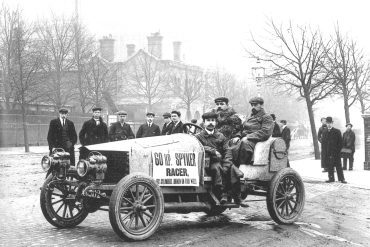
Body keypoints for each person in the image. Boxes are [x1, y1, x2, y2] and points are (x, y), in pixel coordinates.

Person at [195, 112, 248, 207]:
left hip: (222, 160)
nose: (210, 123)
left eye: (213, 121)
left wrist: (227, 164)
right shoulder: (198, 136)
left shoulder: (221, 136)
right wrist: (213, 151)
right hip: (208, 162)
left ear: (215, 123)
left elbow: (227, 150)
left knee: (233, 170)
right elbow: (199, 147)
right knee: (217, 168)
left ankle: (237, 197)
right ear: (204, 123)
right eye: (208, 121)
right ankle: (222, 194)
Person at [238, 97, 274, 166]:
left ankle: (241, 165)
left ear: (261, 105)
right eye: (252, 105)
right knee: (231, 142)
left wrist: (248, 137)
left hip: (256, 140)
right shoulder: (250, 116)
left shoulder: (267, 117)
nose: (253, 107)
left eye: (255, 105)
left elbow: (265, 132)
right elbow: (243, 128)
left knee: (244, 143)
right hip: (245, 138)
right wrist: (237, 136)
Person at [322, 117, 347, 183]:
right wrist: (325, 152)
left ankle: (342, 179)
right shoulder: (324, 132)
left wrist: (338, 151)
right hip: (328, 153)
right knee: (330, 166)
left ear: (332, 123)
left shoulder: (337, 131)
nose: (329, 124)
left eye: (330, 123)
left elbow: (341, 143)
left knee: (339, 166)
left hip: (336, 153)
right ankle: (331, 178)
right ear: (326, 123)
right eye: (327, 123)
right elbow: (323, 144)